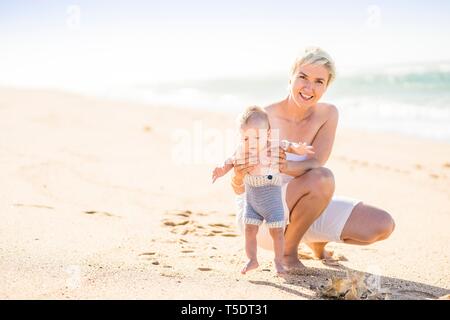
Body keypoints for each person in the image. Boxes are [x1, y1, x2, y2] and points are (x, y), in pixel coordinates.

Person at [231, 47, 395, 271]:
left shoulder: (327, 114)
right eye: (303, 77)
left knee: (382, 225)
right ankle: (288, 254)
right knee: (322, 179)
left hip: (306, 204)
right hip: (262, 219)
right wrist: (240, 174)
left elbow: (316, 162)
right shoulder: (264, 117)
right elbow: (238, 185)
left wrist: (285, 166)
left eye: (319, 81)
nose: (309, 87)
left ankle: (312, 239)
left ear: (326, 86)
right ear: (290, 77)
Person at [212, 106, 315, 275]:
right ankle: (252, 259)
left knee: (277, 233)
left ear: (267, 135)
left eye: (256, 138)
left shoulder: (273, 146)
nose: (251, 143)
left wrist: (299, 148)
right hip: (252, 202)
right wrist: (220, 170)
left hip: (272, 201)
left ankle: (278, 262)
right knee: (249, 230)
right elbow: (230, 161)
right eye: (246, 138)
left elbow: (288, 145)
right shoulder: (241, 151)